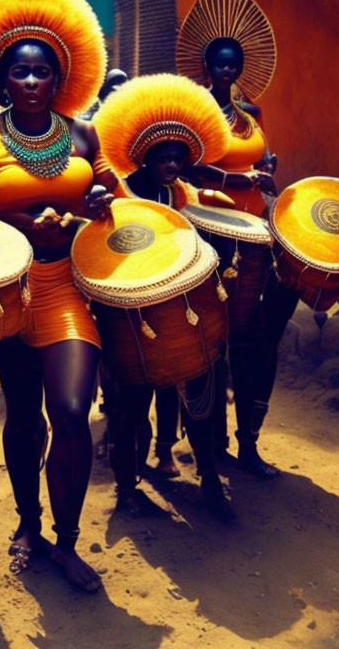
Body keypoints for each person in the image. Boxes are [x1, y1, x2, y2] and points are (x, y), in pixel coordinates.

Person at [0, 0, 116, 591]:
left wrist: (98, 202)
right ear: (0, 81)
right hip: (9, 291)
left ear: (60, 76)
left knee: (70, 412)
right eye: (21, 73)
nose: (34, 82)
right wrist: (19, 219)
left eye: (43, 71)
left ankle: (67, 543)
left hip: (69, 286)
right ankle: (28, 523)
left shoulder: (83, 133)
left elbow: (111, 199)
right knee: (23, 417)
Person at [93, 73, 236, 519]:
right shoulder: (120, 193)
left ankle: (210, 478)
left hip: (181, 314)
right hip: (129, 313)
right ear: (143, 154)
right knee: (128, 404)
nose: (172, 164)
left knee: (201, 397)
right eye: (163, 155)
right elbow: (100, 252)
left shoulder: (186, 194)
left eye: (179, 156)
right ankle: (126, 486)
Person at [177, 0, 296, 477]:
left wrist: (266, 172)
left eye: (235, 65)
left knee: (251, 340)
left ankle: (247, 444)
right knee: (211, 342)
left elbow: (261, 162)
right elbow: (186, 166)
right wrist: (236, 180)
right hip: (210, 235)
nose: (228, 72)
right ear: (207, 67)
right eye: (221, 65)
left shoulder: (252, 115)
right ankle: (211, 444)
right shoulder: (193, 112)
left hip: (254, 236)